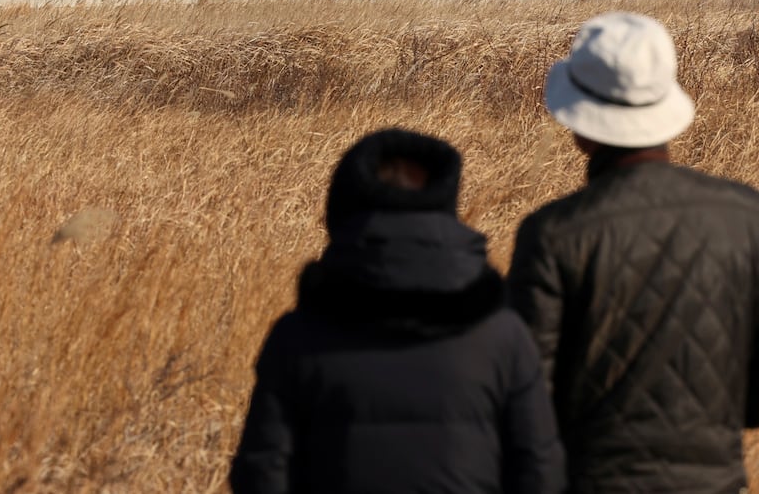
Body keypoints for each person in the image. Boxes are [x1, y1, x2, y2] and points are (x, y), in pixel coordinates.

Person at [508, 12, 759, 494]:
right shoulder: (749, 215)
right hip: (714, 477)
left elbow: (526, 380)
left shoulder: (553, 233)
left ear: (582, 125)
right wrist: (719, 414)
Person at [230, 129, 565, 494]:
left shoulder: (297, 337)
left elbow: (261, 473)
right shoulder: (504, 335)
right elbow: (540, 472)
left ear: (341, 211)